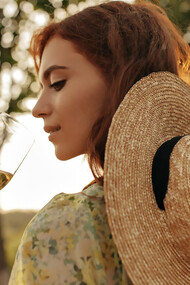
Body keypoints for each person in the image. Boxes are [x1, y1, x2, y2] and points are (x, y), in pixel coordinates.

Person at [8, 1, 190, 284]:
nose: (37, 108)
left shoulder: (64, 228)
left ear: (119, 79)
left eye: (57, 83)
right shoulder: (178, 211)